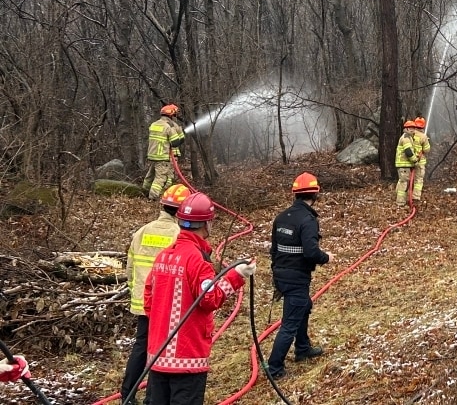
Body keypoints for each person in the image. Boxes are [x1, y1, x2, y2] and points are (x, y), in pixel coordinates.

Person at [143, 192, 255, 405]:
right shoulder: (197, 260)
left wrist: (161, 325)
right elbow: (209, 299)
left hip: (158, 356)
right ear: (206, 224)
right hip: (187, 358)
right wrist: (237, 276)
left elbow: (148, 299)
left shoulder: (163, 256)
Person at [121, 183, 191, 405]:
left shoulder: (142, 231)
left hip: (142, 301)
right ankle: (152, 398)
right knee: (161, 351)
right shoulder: (179, 235)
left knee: (141, 346)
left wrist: (135, 293)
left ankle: (127, 395)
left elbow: (130, 268)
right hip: (165, 304)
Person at [266, 172, 330, 380]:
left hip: (282, 274)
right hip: (297, 277)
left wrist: (277, 274)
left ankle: (302, 348)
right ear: (315, 193)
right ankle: (275, 368)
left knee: (304, 305)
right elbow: (311, 253)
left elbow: (274, 250)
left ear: (295, 194)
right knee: (289, 324)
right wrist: (326, 257)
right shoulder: (308, 220)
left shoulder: (281, 217)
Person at [141, 104, 186, 201]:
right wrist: (177, 130)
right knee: (161, 178)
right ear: (171, 115)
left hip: (153, 156)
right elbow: (175, 142)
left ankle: (144, 192)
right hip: (163, 157)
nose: (175, 117)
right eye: (175, 115)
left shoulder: (154, 124)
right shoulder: (169, 126)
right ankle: (153, 198)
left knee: (150, 176)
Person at [395, 119, 424, 206]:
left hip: (405, 165)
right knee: (404, 184)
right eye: (410, 128)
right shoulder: (406, 138)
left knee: (402, 182)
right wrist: (415, 160)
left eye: (413, 128)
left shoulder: (409, 137)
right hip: (404, 165)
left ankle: (399, 199)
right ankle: (400, 203)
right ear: (406, 128)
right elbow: (408, 152)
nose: (412, 129)